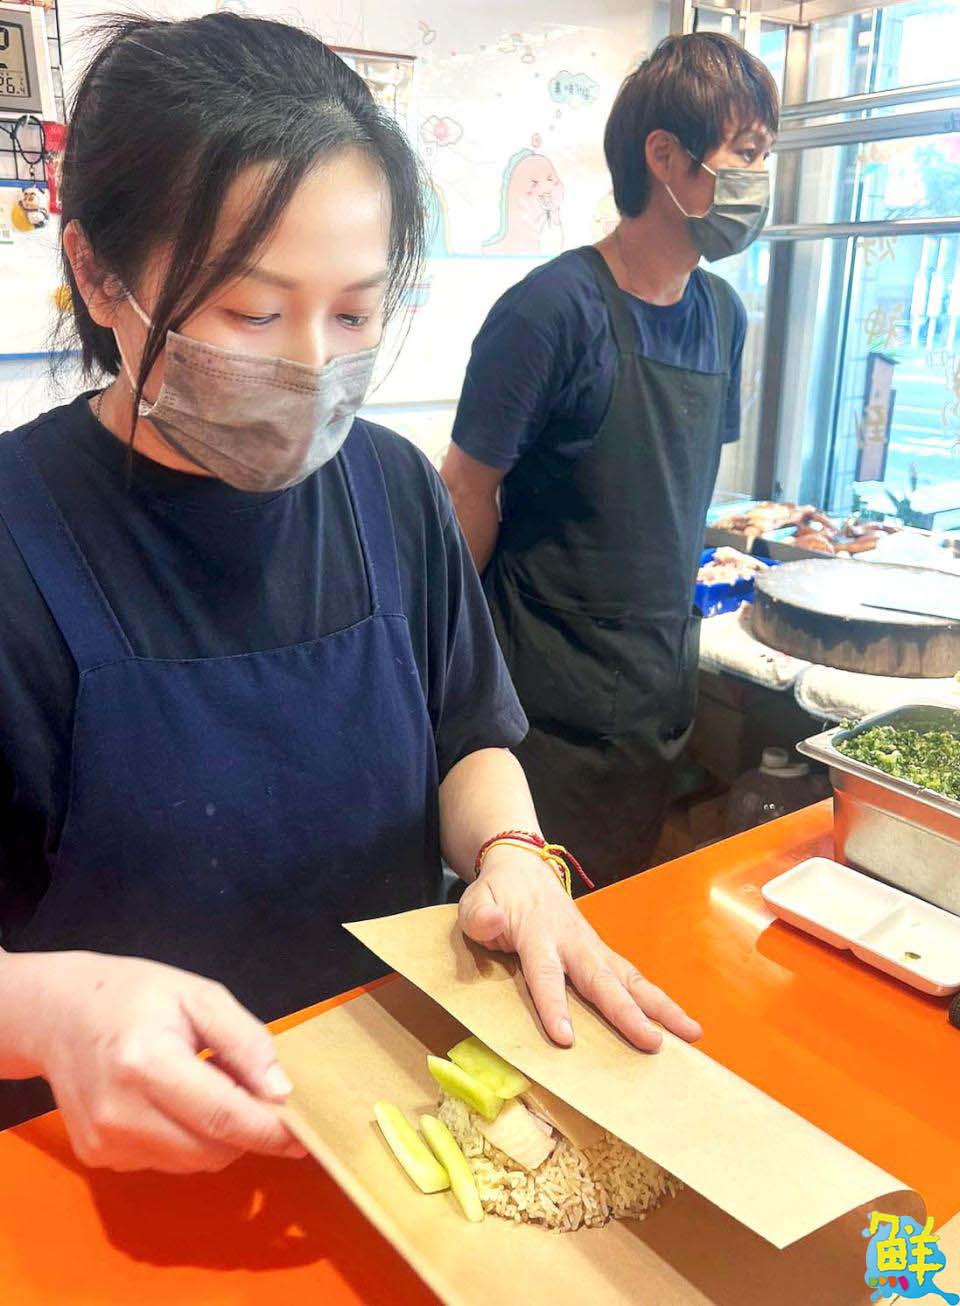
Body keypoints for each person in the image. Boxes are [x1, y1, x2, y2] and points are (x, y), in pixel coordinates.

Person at [0, 14, 702, 1169]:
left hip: (380, 1138)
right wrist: (41, 1013)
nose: (312, 366)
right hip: (97, 1179)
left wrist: (514, 860)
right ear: (97, 272)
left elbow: (470, 738)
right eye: (251, 313)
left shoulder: (391, 491)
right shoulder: (20, 541)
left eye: (356, 313)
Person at [441, 34, 778, 886]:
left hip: (655, 696)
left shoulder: (724, 316)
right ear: (663, 156)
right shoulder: (551, 312)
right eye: (745, 151)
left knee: (623, 913)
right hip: (541, 707)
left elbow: (677, 493)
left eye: (765, 155)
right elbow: (466, 492)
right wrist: (439, 680)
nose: (757, 178)